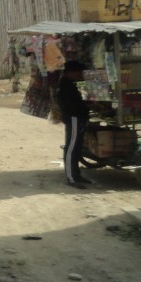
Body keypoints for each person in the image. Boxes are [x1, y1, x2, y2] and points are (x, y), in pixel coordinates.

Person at [56, 60, 91, 188]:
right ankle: (71, 178)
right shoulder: (66, 86)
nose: (80, 75)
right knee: (72, 148)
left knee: (76, 147)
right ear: (71, 72)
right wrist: (85, 107)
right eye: (79, 73)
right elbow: (73, 105)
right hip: (74, 118)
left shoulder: (67, 84)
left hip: (75, 118)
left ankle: (76, 175)